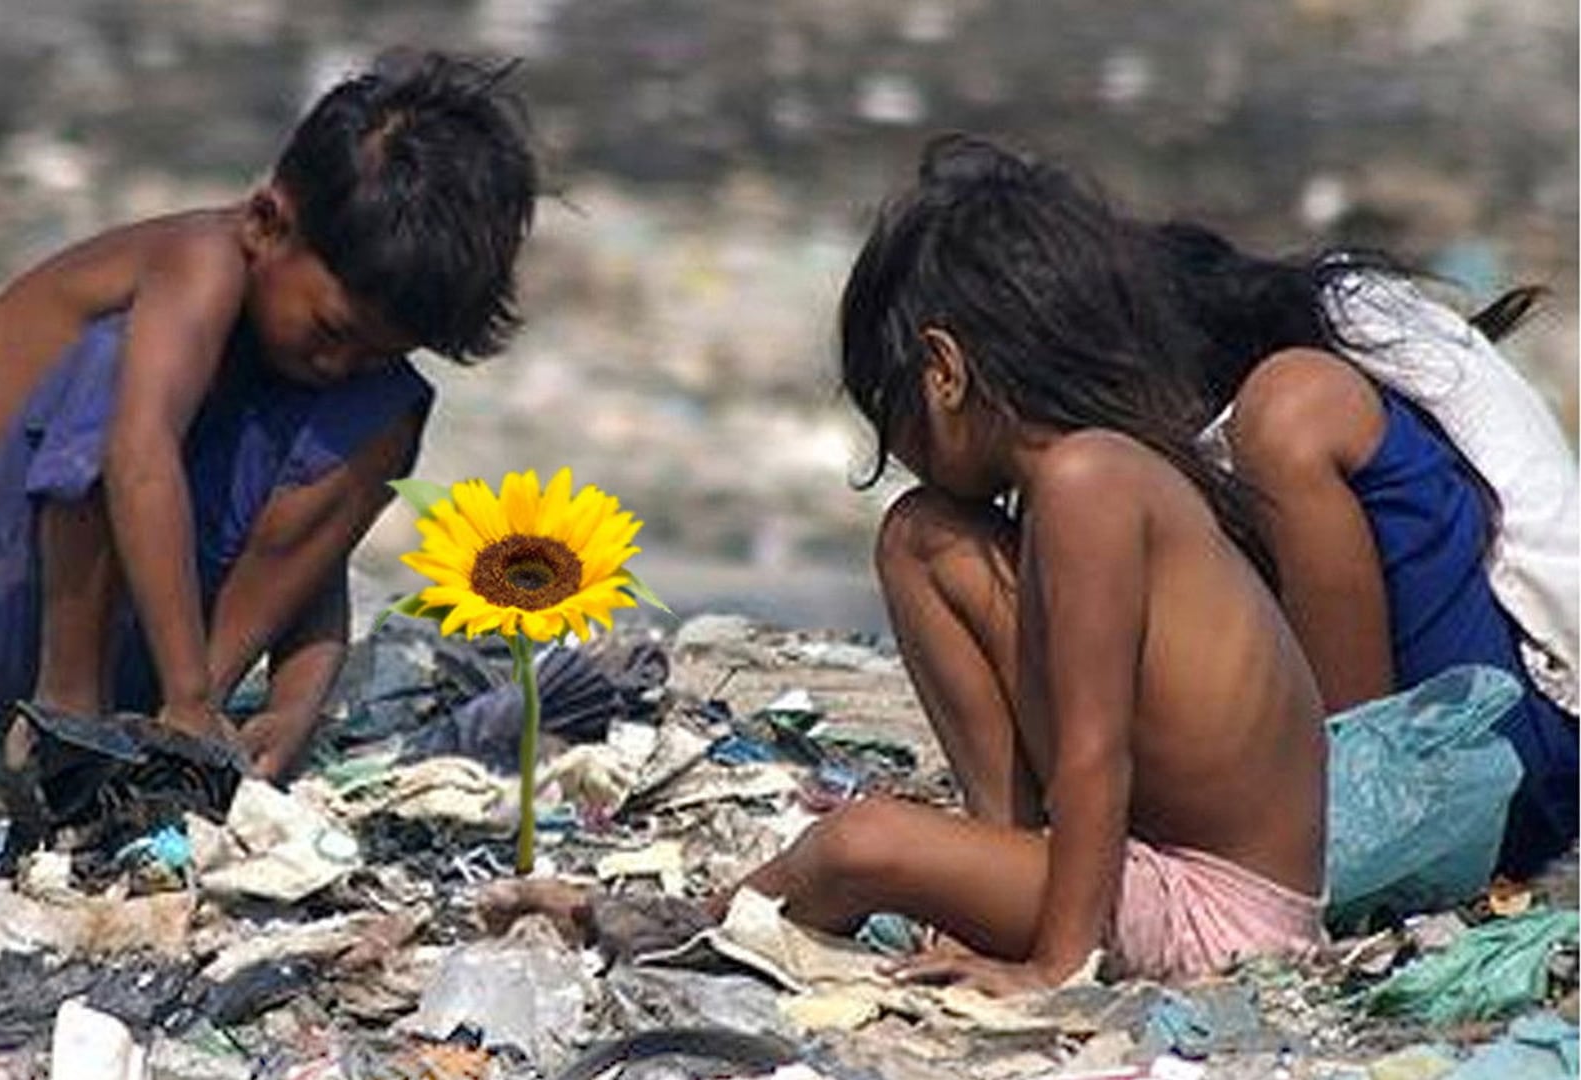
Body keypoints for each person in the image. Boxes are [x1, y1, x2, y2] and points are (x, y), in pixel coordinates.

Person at [490, 136, 1331, 992]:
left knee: (864, 844)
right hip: (1148, 869)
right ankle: (995, 865)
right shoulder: (1083, 477)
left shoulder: (1089, 483)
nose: (898, 451)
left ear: (943, 371)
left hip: (1219, 918)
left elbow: (1093, 755)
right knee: (920, 538)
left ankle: (695, 928)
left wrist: (1052, 968)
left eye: (889, 412)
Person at [0, 50, 537, 790]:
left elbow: (311, 543)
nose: (339, 364)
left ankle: (180, 737)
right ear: (268, 223)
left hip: (147, 643)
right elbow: (137, 456)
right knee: (114, 371)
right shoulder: (202, 259)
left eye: (370, 349)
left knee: (384, 408)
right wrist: (187, 690)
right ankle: (68, 715)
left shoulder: (322, 357)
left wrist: (296, 702)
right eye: (332, 332)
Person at [1152, 222, 1579, 879]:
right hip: (1500, 735)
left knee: (1288, 412)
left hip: (1523, 745)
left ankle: (1349, 816)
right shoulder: (1358, 339)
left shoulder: (1301, 398)